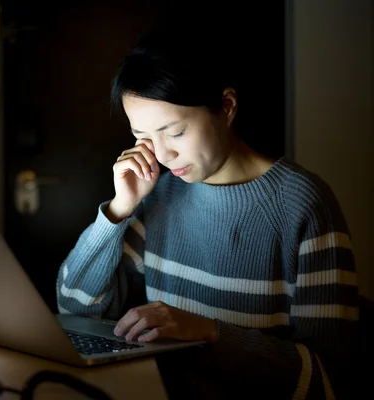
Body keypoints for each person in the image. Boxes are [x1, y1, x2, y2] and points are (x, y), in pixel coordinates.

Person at [56, 32, 358, 399]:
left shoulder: (303, 204)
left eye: (176, 132)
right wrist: (119, 210)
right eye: (144, 137)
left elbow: (328, 380)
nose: (163, 155)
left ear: (227, 106)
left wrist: (209, 332)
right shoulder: (160, 196)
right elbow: (73, 305)